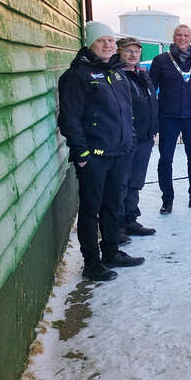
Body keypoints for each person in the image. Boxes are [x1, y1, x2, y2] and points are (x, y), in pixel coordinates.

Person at [57, 21, 145, 281]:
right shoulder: (77, 76)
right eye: (100, 40)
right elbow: (69, 118)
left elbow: (126, 112)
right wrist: (81, 154)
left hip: (119, 153)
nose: (107, 45)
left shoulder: (117, 73)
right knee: (90, 210)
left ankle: (111, 251)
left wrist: (129, 142)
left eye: (110, 40)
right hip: (94, 157)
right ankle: (92, 264)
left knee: (113, 205)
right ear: (90, 44)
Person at [149, 24, 191, 213]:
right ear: (174, 37)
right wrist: (153, 119)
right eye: (179, 35)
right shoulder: (161, 61)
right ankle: (167, 199)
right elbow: (150, 92)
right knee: (166, 159)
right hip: (168, 117)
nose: (182, 38)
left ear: (190, 38)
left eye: (186, 35)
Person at [114, 37, 158, 236]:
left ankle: (130, 219)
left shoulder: (141, 74)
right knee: (121, 182)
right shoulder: (116, 75)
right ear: (119, 52)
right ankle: (117, 225)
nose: (133, 55)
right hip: (126, 139)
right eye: (128, 51)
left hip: (145, 136)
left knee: (135, 181)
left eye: (137, 51)